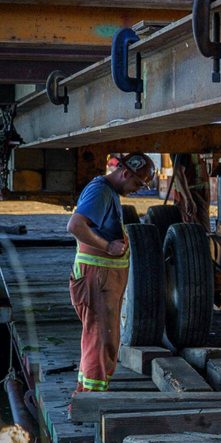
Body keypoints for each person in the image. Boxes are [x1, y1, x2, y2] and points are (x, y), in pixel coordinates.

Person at [66, 152, 155, 392]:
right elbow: (75, 225)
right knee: (101, 339)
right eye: (137, 183)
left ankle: (86, 394)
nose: (137, 189)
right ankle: (93, 399)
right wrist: (107, 246)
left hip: (102, 281)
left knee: (99, 338)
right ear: (125, 173)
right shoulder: (101, 191)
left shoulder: (108, 192)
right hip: (97, 279)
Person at [169, 153, 210, 229]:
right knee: (198, 234)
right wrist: (188, 199)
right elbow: (178, 172)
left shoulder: (195, 146)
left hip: (200, 198)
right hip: (191, 198)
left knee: (201, 232)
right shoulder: (184, 145)